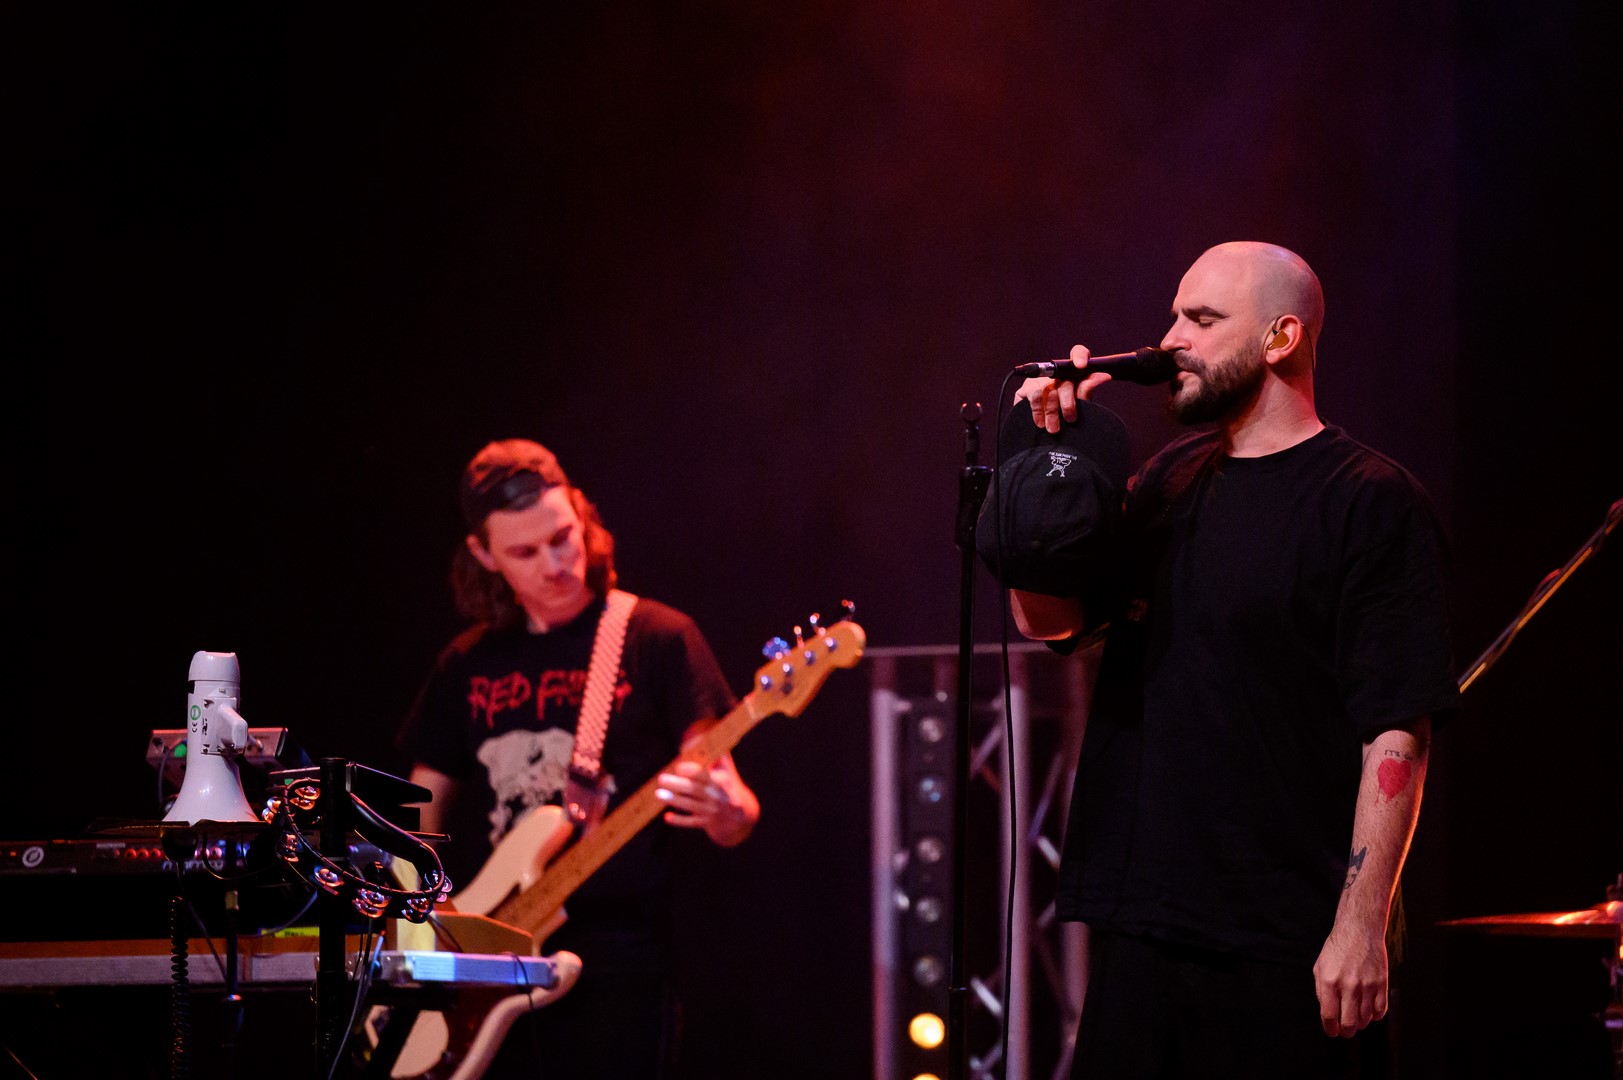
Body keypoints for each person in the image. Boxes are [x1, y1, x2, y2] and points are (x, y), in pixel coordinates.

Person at [1002, 241, 1460, 1078]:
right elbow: (1049, 622)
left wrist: (1360, 924)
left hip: (1279, 938)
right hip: (1139, 923)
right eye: (1174, 315)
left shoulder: (1368, 501)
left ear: (1280, 337)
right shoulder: (1168, 480)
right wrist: (1041, 466)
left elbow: (1397, 729)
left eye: (1202, 319)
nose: (1169, 338)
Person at [394, 437, 760, 1080]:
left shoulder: (657, 638)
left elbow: (733, 808)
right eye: (525, 552)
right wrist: (424, 915)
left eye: (562, 538)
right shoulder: (466, 663)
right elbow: (417, 816)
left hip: (617, 969)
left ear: (583, 515)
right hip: (490, 959)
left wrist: (729, 811)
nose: (554, 564)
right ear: (483, 554)